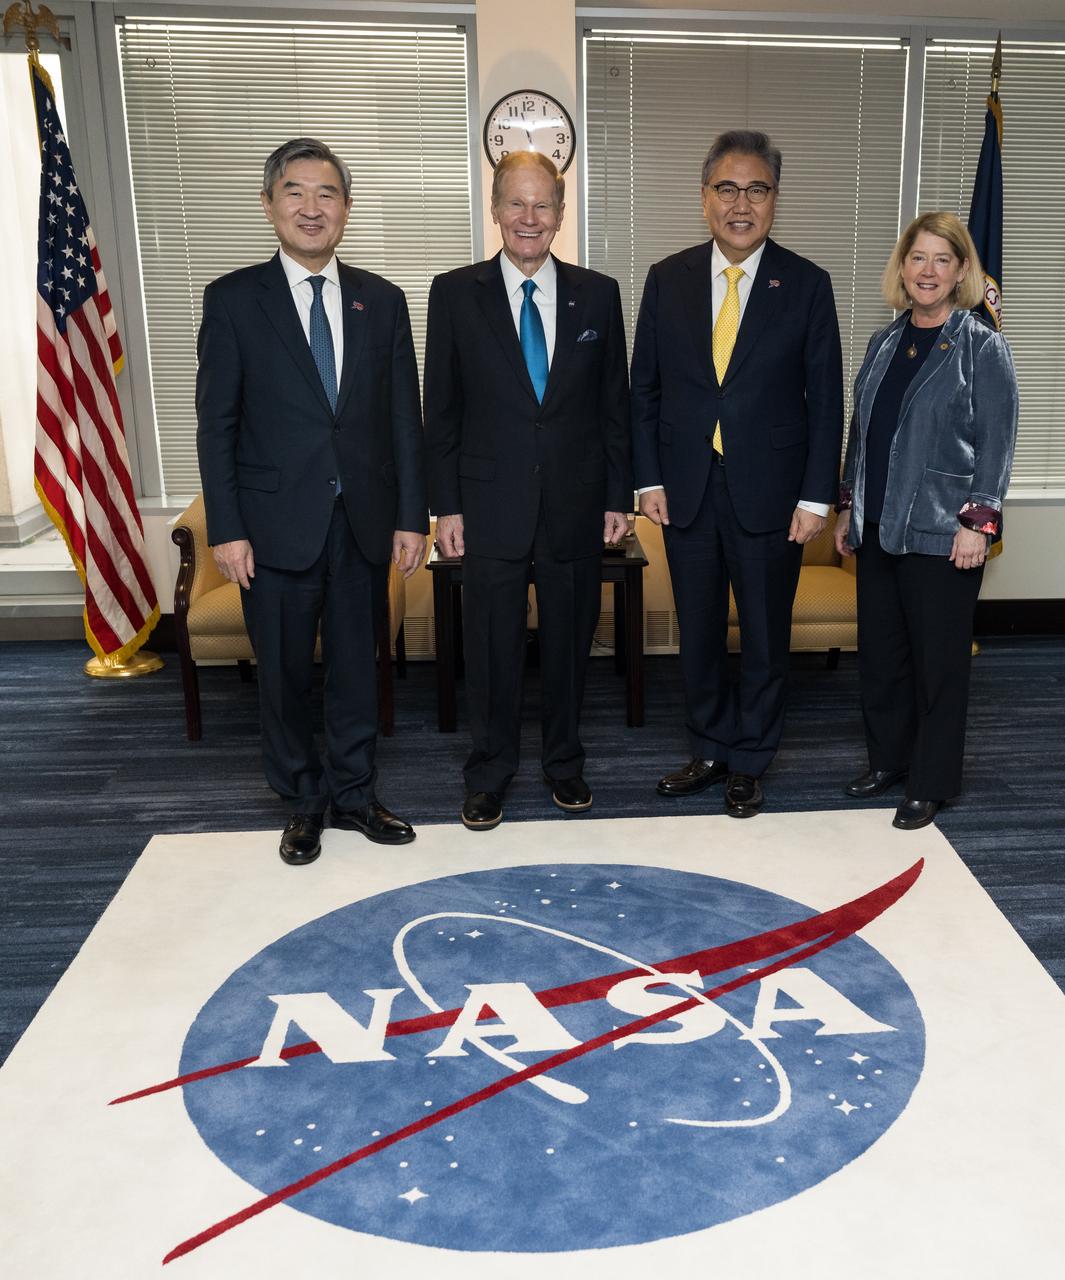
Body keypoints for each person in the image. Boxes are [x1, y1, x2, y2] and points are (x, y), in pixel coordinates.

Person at [196, 138, 428, 865]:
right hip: (271, 528)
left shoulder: (382, 301)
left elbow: (402, 420)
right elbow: (217, 424)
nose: (311, 207)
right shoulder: (233, 300)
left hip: (362, 523)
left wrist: (409, 516)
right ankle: (302, 800)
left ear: (347, 210)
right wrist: (227, 529)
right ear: (269, 205)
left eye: (327, 194)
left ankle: (356, 794)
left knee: (360, 667)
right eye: (294, 192)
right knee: (286, 674)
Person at [630, 130, 843, 818]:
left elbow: (824, 398)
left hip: (772, 495)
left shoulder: (806, 284)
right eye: (727, 188)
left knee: (760, 632)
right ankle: (708, 746)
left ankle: (750, 757)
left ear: (774, 200)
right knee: (695, 630)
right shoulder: (668, 278)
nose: (740, 203)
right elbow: (645, 391)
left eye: (756, 189)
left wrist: (816, 496)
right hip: (685, 488)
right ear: (703, 199)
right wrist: (647, 479)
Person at [424, 151, 631, 831]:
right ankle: (488, 773)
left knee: (571, 647)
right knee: (490, 649)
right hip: (487, 508)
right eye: (516, 203)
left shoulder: (598, 294)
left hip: (575, 505)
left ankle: (563, 765)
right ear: (494, 208)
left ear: (561, 214)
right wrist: (444, 506)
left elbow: (613, 407)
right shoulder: (453, 293)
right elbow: (442, 411)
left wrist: (616, 497)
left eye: (543, 205)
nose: (529, 218)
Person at [836, 211, 1018, 830]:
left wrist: (979, 521)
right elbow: (861, 431)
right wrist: (847, 506)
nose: (929, 271)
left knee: (939, 664)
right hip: (880, 525)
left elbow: (998, 440)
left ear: (962, 270)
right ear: (903, 266)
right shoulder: (884, 341)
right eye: (919, 258)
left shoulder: (981, 342)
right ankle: (887, 760)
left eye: (943, 259)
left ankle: (930, 780)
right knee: (882, 657)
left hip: (945, 533)